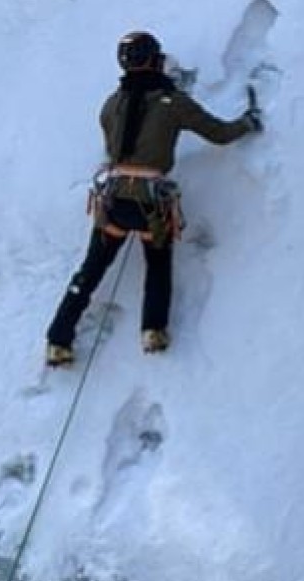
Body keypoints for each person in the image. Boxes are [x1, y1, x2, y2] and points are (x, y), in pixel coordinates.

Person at [44, 31, 261, 364]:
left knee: (89, 273)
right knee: (157, 267)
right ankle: (153, 331)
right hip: (151, 204)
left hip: (113, 202)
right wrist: (248, 122)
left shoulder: (111, 105)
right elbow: (218, 134)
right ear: (154, 61)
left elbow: (114, 145)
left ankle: (58, 341)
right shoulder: (174, 103)